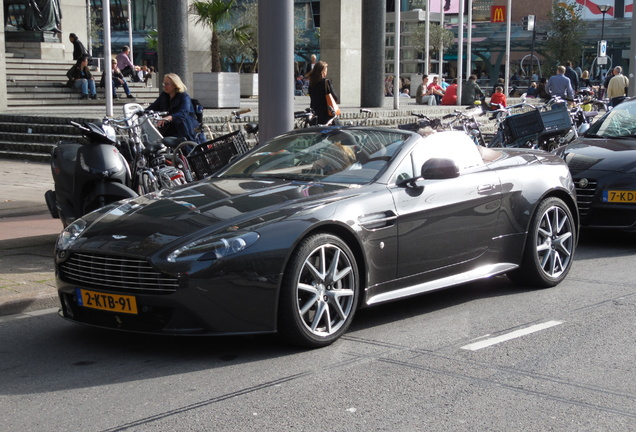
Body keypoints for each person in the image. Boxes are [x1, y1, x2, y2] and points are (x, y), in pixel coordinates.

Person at [146, 73, 198, 141]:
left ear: (175, 85)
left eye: (167, 84)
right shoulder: (164, 96)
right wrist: (140, 112)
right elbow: (152, 107)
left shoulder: (184, 97)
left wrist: (169, 117)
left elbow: (183, 113)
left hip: (186, 129)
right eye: (163, 84)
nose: (164, 86)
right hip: (170, 129)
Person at [308, 61, 339, 125]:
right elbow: (335, 97)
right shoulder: (326, 82)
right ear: (323, 71)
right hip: (327, 115)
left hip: (315, 114)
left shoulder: (311, 84)